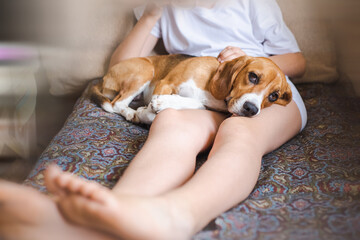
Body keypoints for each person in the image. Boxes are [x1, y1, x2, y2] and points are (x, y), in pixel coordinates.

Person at [0, 0, 307, 239]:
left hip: (261, 92)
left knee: (239, 133)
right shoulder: (167, 9)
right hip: (199, 92)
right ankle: (112, 213)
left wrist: (250, 63)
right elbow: (122, 66)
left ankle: (177, 215)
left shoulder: (253, 4)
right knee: (169, 124)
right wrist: (151, 14)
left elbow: (297, 60)